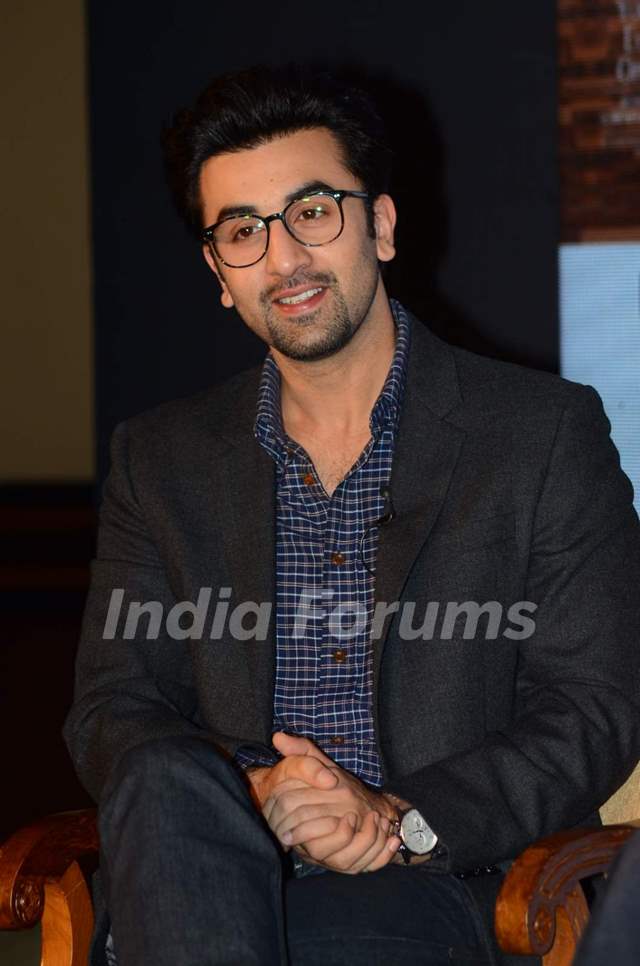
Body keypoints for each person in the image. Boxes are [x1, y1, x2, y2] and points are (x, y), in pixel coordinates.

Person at [63, 65, 640, 966]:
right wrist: (253, 794)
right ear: (218, 272)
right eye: (243, 232)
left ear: (379, 223)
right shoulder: (161, 459)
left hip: (439, 889)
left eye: (313, 211)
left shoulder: (540, 434)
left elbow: (592, 710)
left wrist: (394, 818)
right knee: (166, 777)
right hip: (199, 870)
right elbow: (113, 708)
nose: (284, 258)